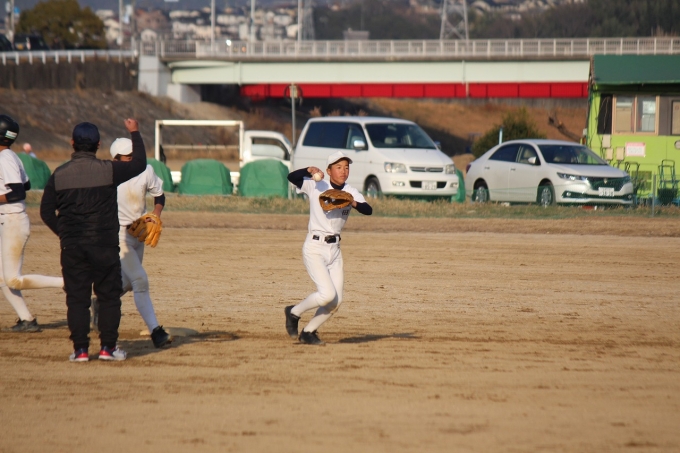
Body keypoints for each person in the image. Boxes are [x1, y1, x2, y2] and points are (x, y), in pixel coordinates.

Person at [40, 119, 147, 362]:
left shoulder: (59, 175)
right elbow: (139, 164)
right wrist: (134, 132)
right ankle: (108, 348)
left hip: (73, 247)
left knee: (77, 299)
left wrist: (65, 233)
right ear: (98, 145)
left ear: (72, 143)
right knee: (108, 297)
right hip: (104, 244)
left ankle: (80, 350)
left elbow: (46, 212)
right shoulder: (108, 170)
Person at [284, 151, 372, 345]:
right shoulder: (317, 185)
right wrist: (308, 170)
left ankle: (308, 332)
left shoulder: (350, 191)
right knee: (327, 295)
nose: (343, 171)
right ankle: (293, 312)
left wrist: (352, 202)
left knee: (335, 302)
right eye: (338, 167)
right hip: (315, 247)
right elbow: (291, 177)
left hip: (335, 251)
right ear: (329, 170)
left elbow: (368, 210)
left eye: (346, 167)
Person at [93, 137, 172, 348]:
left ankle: (101, 301)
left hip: (139, 232)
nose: (132, 158)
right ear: (116, 159)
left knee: (128, 282)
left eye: (133, 155)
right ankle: (156, 331)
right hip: (119, 234)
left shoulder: (145, 170)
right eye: (128, 156)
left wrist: (155, 213)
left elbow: (159, 195)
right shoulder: (108, 173)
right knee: (140, 280)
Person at [0, 114, 64, 332]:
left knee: (13, 280)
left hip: (13, 221)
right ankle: (26, 319)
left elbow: (18, 192)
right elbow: (26, 184)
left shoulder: (5, 158)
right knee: (3, 278)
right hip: (8, 220)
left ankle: (67, 283)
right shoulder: (11, 156)